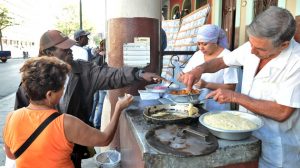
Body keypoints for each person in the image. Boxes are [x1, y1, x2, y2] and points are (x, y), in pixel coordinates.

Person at [14, 30, 163, 167]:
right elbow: (20, 122)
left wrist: (139, 74)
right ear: (48, 52)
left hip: (73, 149)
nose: (70, 50)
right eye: (64, 49)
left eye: (69, 47)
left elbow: (111, 75)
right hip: (39, 153)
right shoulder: (31, 80)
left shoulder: (84, 71)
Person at [179, 6, 300, 167]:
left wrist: (235, 96)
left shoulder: (296, 63)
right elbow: (222, 61)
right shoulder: (254, 45)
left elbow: (282, 112)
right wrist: (199, 69)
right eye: (251, 43)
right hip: (245, 136)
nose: (252, 51)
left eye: (261, 49)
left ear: (284, 45)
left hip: (276, 148)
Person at [3, 56, 134, 167]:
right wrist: (118, 108)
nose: (63, 91)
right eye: (61, 88)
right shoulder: (65, 123)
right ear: (49, 95)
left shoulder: (12, 117)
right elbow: (105, 139)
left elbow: (11, 154)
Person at [182, 24, 238, 111]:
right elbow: (185, 73)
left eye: (205, 44)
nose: (201, 48)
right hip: (197, 104)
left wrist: (206, 84)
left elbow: (231, 88)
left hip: (218, 106)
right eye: (199, 44)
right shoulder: (198, 55)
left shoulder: (227, 57)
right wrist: (183, 76)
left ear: (215, 42)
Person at [90, 39, 107, 129]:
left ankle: (91, 119)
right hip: (101, 82)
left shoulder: (95, 55)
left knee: (94, 101)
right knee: (100, 103)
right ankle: (97, 123)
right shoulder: (105, 56)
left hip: (94, 81)